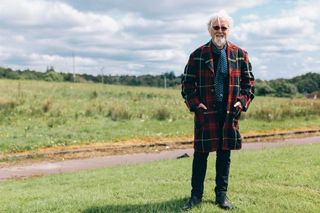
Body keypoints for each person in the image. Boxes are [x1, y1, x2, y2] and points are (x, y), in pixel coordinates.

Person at [181, 11, 255, 211]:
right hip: (206, 114)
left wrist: (242, 102)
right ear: (209, 30)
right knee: (200, 156)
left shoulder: (240, 54)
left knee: (224, 155)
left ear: (229, 30)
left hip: (230, 112)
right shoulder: (197, 55)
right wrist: (196, 104)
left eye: (223, 27)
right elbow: (187, 85)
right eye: (216, 27)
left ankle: (221, 196)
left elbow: (249, 84)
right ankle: (195, 196)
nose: (220, 30)